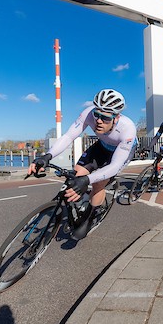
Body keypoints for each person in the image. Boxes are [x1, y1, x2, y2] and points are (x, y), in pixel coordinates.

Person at [28, 88, 137, 238]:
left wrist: (87, 180)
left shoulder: (128, 129)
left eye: (105, 118)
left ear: (116, 118)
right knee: (76, 173)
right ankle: (80, 203)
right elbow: (68, 137)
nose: (98, 120)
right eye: (96, 114)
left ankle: (90, 217)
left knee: (98, 183)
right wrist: (47, 156)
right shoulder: (88, 113)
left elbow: (115, 166)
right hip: (102, 146)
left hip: (120, 152)